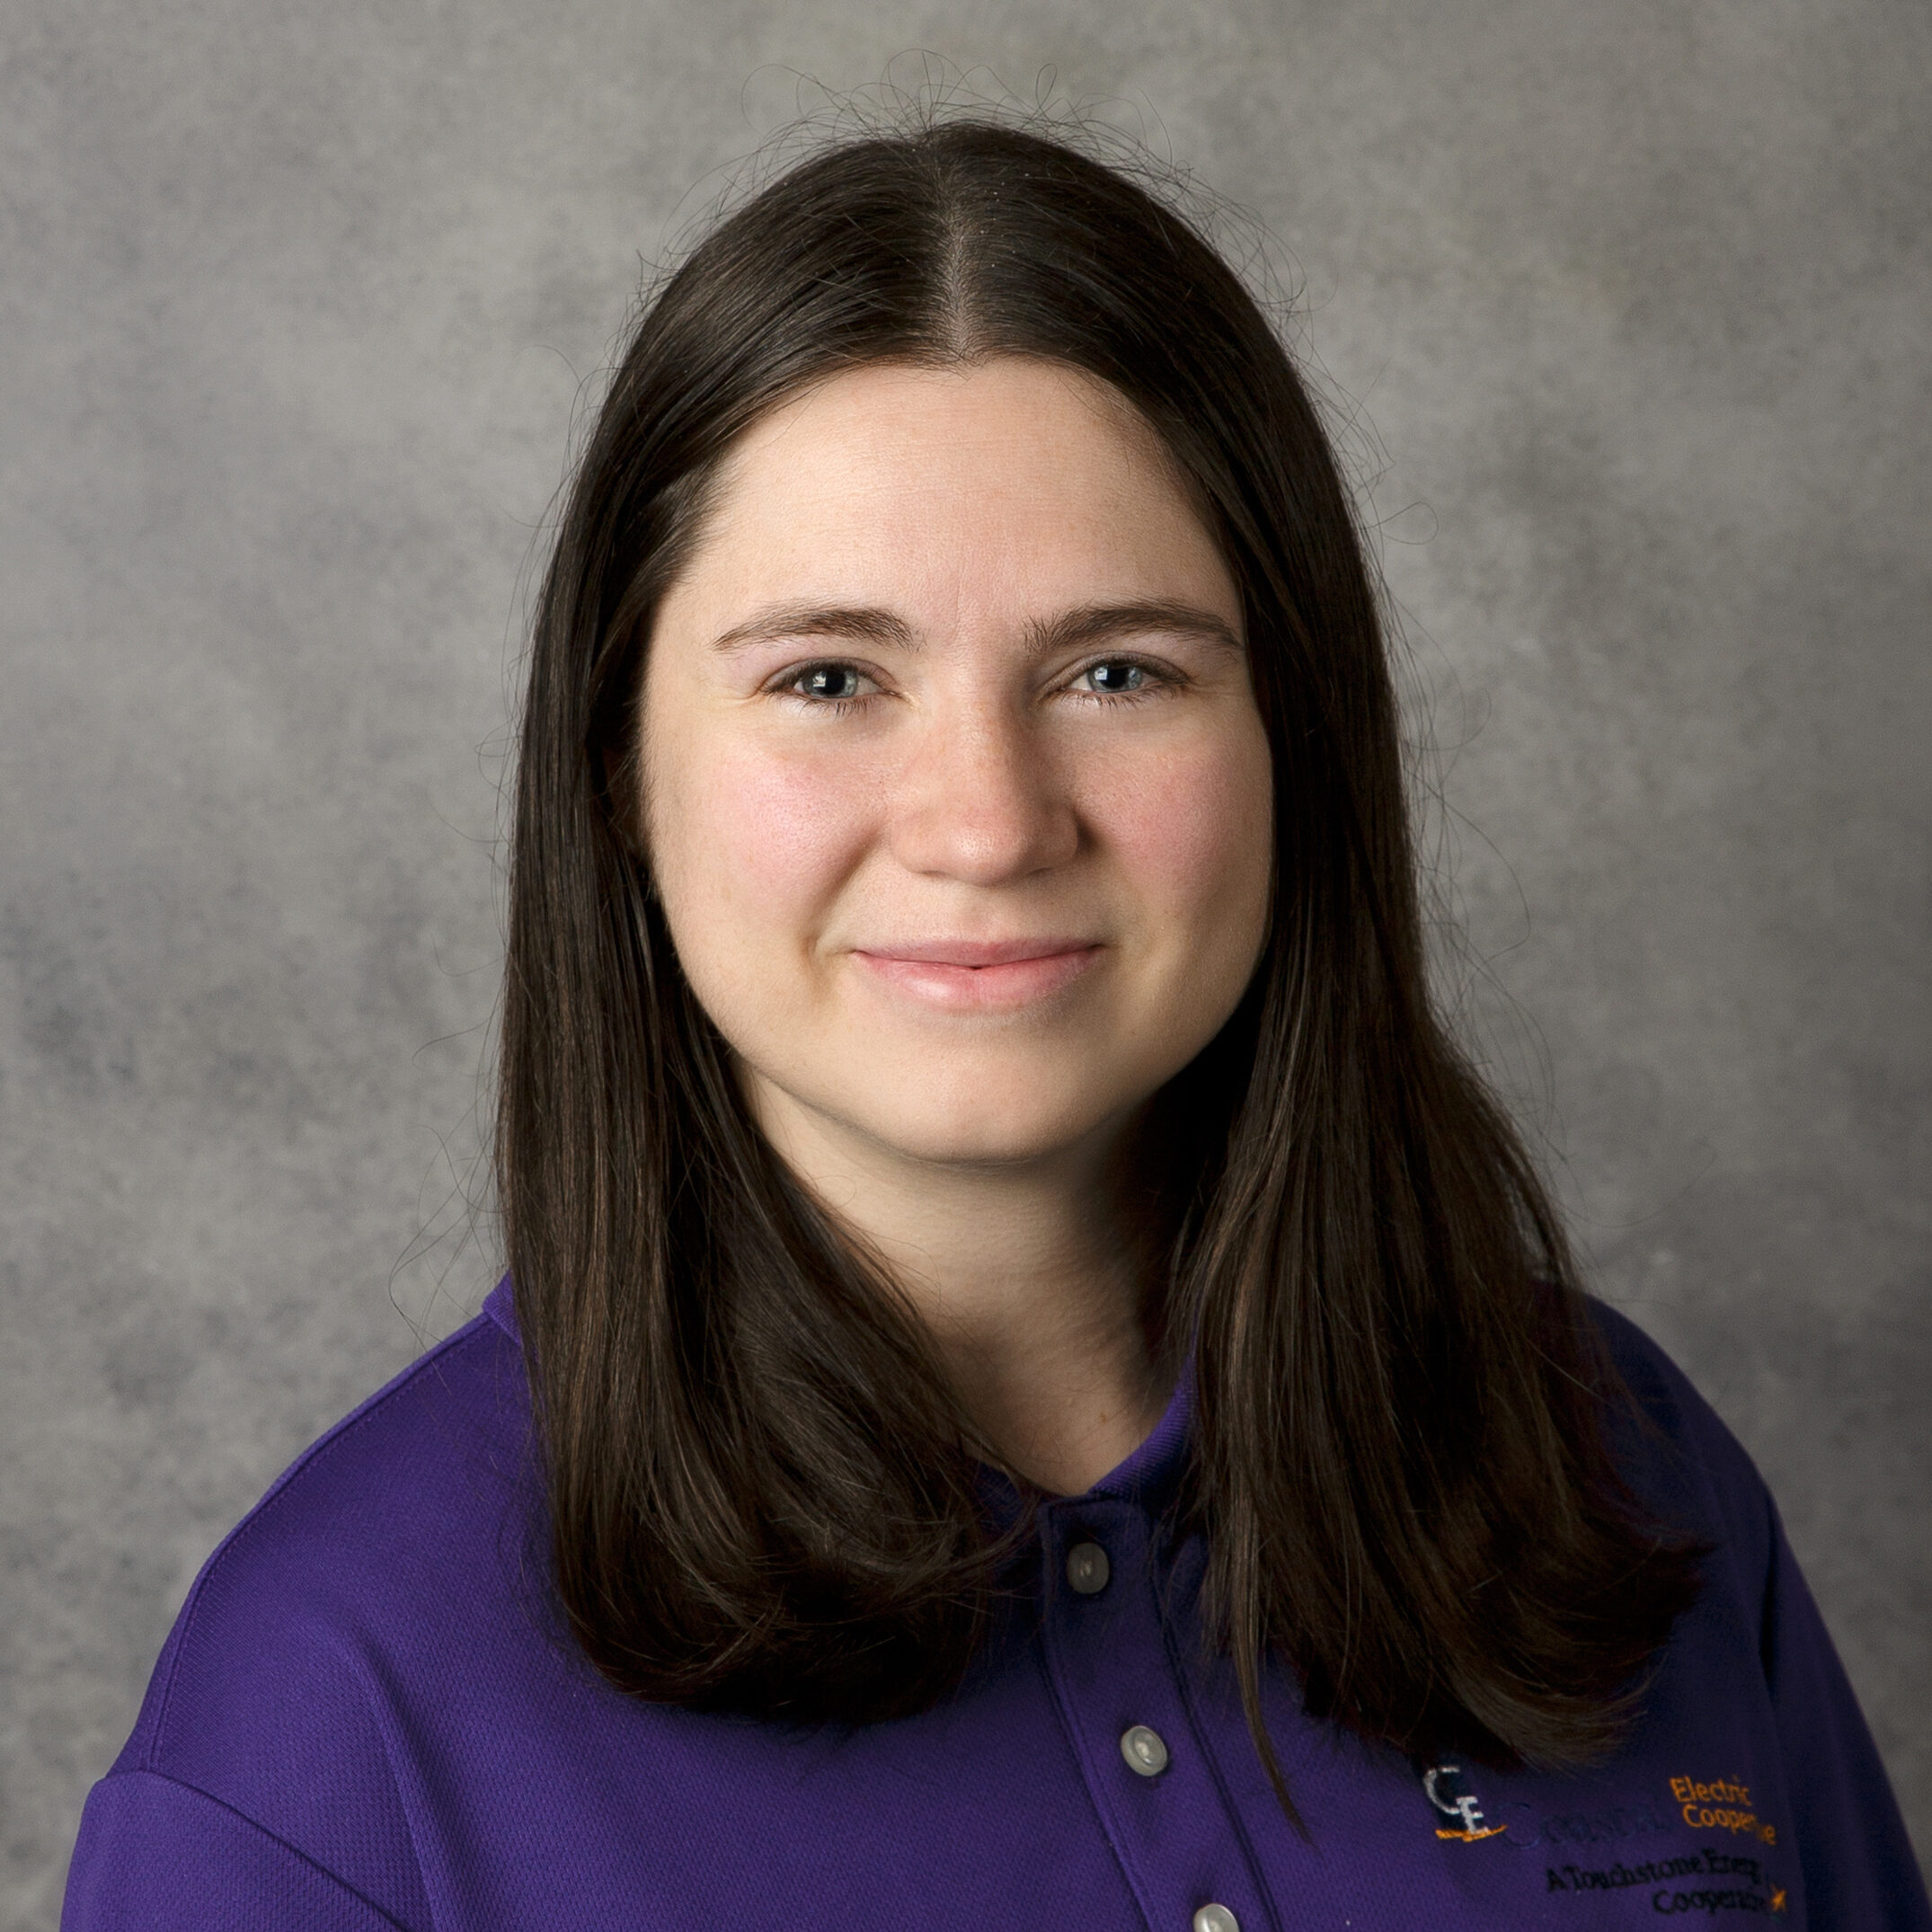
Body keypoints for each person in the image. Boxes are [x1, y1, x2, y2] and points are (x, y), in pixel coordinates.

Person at [63, 118, 1928, 1931]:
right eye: (827, 677)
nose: (986, 819)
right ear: (618, 773)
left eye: (1116, 670)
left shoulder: (1620, 1465)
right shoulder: (325, 1726)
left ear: (1296, 739)